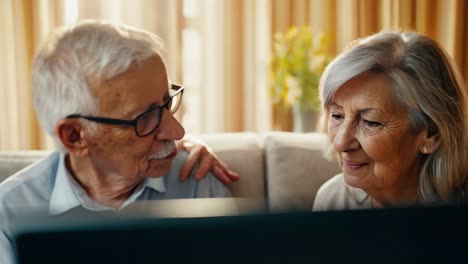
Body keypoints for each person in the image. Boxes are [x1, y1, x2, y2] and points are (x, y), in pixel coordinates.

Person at [0, 20, 239, 263]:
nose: (178, 131)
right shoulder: (7, 214)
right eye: (145, 118)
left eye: (166, 102)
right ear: (75, 137)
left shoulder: (197, 182)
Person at [313, 31, 468, 211]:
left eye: (370, 122)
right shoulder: (332, 201)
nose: (340, 143)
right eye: (337, 115)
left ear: (432, 134)